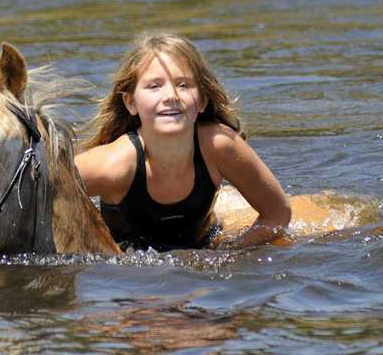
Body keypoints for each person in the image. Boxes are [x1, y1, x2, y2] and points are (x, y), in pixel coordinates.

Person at [74, 32, 291, 251]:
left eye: (183, 85)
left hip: (208, 240)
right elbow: (44, 189)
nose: (170, 96)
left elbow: (278, 214)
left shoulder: (219, 145)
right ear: (131, 103)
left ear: (202, 101)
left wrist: (230, 252)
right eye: (154, 86)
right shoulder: (113, 165)